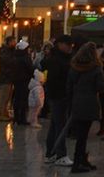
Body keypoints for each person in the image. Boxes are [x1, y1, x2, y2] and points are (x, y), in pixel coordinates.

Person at [67, 42, 104, 173]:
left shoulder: (74, 67)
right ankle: (78, 162)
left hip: (77, 102)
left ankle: (82, 159)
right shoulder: (95, 68)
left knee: (81, 134)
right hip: (90, 103)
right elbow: (102, 87)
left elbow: (69, 86)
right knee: (83, 135)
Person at [44, 34, 75, 167]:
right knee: (60, 125)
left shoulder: (59, 57)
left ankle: (50, 153)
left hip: (58, 95)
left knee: (55, 125)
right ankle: (60, 154)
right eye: (68, 45)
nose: (70, 48)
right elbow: (55, 79)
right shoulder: (57, 59)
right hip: (58, 95)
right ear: (60, 44)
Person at [12, 39, 34, 126]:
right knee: (24, 99)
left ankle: (16, 117)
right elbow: (30, 69)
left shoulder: (15, 57)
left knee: (17, 99)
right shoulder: (25, 58)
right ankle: (22, 118)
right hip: (24, 81)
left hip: (16, 80)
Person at [0, 36, 18, 121]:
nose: (15, 43)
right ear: (9, 42)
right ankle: (1, 113)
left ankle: (5, 112)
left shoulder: (9, 51)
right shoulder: (4, 52)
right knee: (4, 96)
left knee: (8, 96)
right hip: (6, 77)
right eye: (13, 41)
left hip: (9, 77)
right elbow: (8, 62)